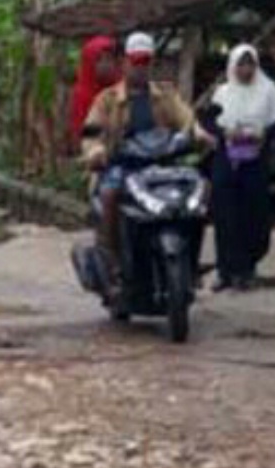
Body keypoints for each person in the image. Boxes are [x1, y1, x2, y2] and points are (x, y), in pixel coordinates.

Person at [81, 32, 211, 298]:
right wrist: (96, 152)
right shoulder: (106, 100)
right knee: (109, 193)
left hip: (162, 166)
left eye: (145, 61)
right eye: (135, 61)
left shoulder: (166, 94)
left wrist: (199, 134)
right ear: (124, 63)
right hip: (122, 167)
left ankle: (191, 263)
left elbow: (187, 120)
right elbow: (91, 134)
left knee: (199, 190)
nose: (140, 67)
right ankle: (113, 265)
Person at [210, 44, 275, 292]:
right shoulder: (223, 92)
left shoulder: (268, 90)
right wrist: (226, 132)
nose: (246, 70)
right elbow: (211, 122)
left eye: (250, 64)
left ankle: (247, 269)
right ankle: (225, 271)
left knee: (252, 214)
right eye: (241, 64)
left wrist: (262, 134)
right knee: (225, 214)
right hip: (228, 159)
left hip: (255, 160)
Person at [69, 35, 121, 150]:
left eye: (109, 59)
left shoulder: (122, 88)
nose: (106, 65)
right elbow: (81, 132)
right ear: (89, 63)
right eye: (99, 60)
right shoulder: (82, 95)